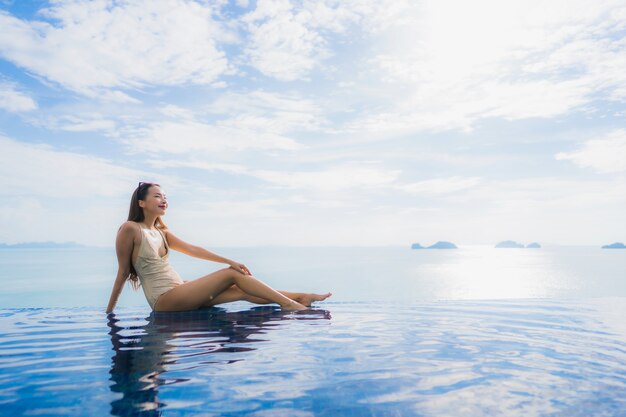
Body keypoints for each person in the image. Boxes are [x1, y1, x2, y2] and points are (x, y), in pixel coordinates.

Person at [106, 182, 332, 313]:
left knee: (241, 290)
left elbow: (194, 250)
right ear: (141, 203)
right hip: (164, 299)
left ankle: (302, 297)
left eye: (165, 197)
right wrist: (109, 313)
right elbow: (123, 272)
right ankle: (290, 305)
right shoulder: (130, 229)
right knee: (232, 275)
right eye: (157, 196)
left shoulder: (162, 232)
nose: (164, 200)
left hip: (180, 290)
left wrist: (228, 259)